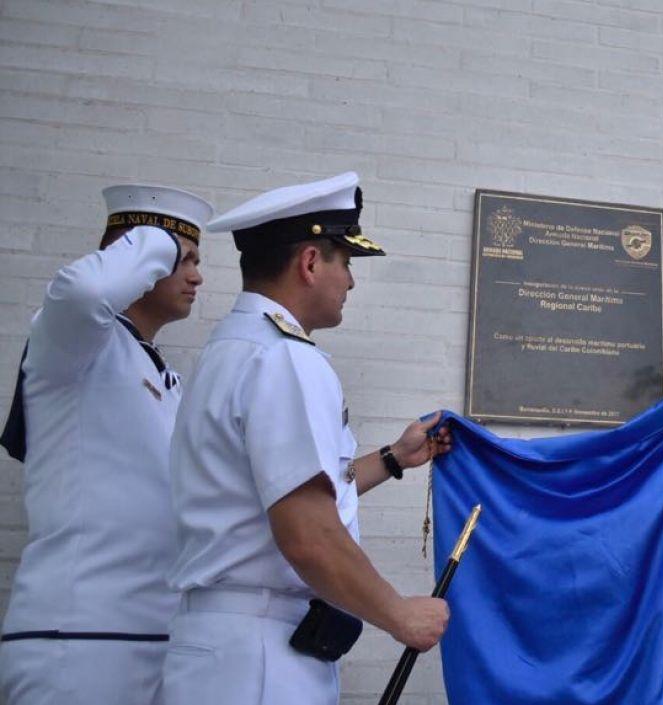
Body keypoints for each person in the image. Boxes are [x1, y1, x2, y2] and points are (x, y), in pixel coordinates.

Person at [160, 172, 452, 705]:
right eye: (345, 262)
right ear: (311, 263)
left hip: (226, 648)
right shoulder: (285, 359)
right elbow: (307, 533)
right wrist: (399, 614)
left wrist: (393, 459)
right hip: (262, 661)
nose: (351, 282)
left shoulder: (232, 348)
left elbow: (282, 490)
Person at [0, 184, 211, 704]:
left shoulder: (164, 377)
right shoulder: (72, 344)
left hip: (157, 639)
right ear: (138, 258)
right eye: (183, 259)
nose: (197, 275)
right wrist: (157, 238)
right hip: (76, 640)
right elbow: (84, 292)